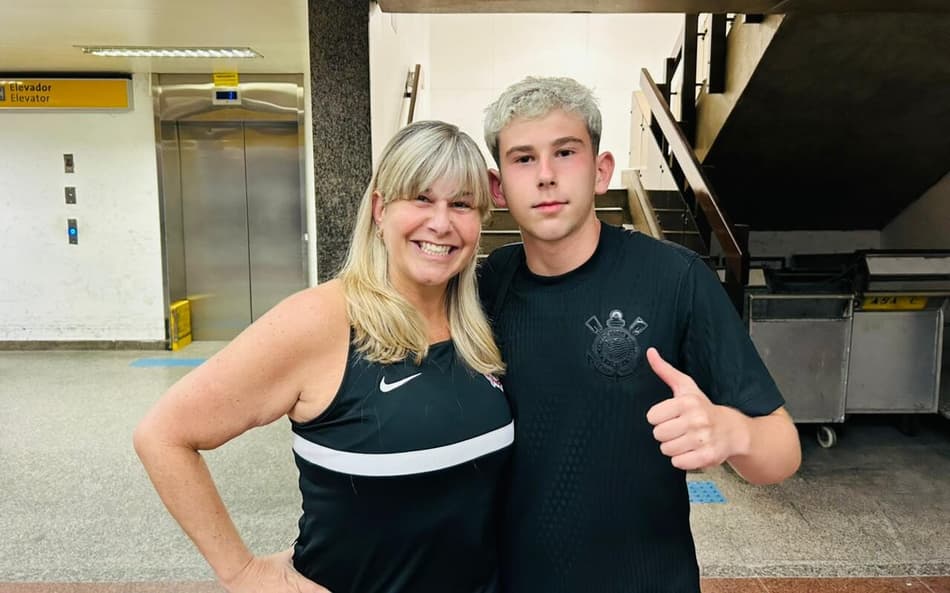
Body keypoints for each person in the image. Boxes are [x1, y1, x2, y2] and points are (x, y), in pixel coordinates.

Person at [134, 120, 513, 593]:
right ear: (379, 209)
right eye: (421, 198)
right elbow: (163, 435)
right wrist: (243, 573)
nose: (441, 223)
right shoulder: (321, 321)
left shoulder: (483, 324)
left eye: (461, 204)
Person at [478, 76, 801, 593]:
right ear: (498, 187)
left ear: (601, 170)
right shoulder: (485, 288)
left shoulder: (675, 279)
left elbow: (783, 450)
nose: (545, 176)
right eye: (522, 158)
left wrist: (731, 432)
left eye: (565, 152)